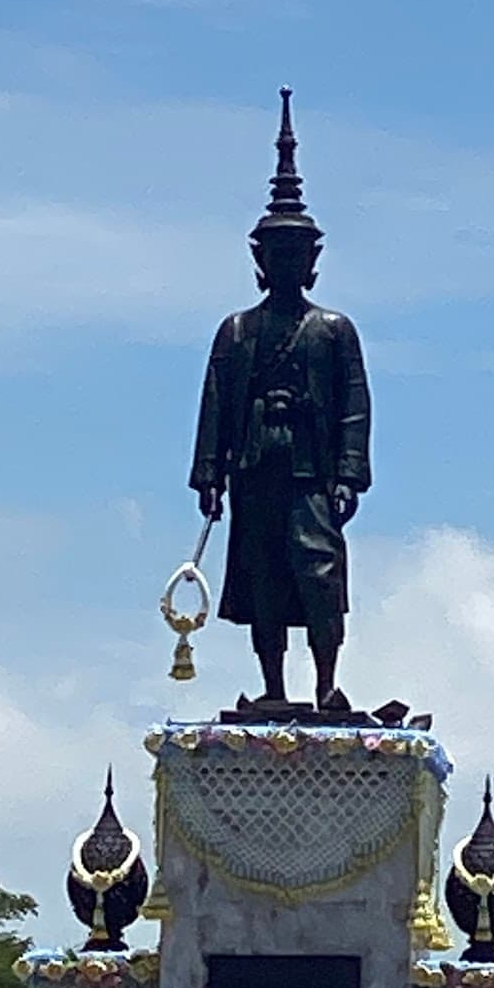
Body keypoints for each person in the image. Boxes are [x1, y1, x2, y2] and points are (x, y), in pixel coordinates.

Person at [189, 89, 372, 711]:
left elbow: (354, 405)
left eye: (297, 255)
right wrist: (209, 474)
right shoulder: (238, 331)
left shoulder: (333, 330)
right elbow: (216, 403)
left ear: (312, 261)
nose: (287, 264)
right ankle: (273, 688)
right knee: (265, 580)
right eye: (277, 255)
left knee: (319, 574)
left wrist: (349, 475)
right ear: (260, 261)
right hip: (257, 468)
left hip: (311, 472)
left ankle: (325, 685)